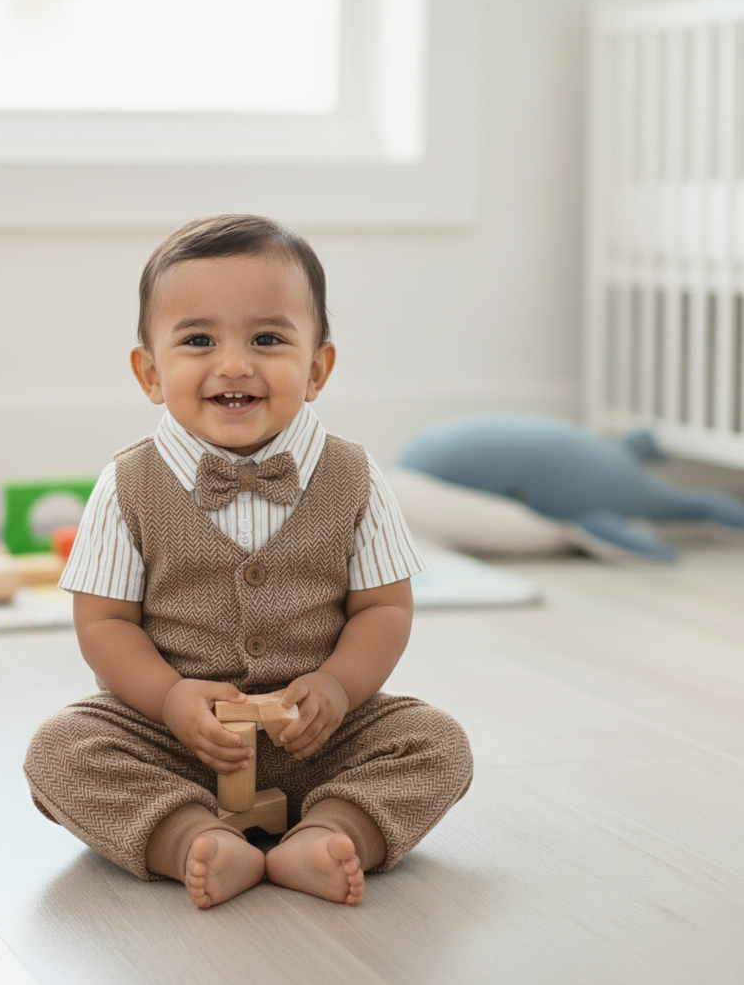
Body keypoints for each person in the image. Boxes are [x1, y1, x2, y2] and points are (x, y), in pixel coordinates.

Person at [24, 214, 472, 909]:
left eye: (267, 339)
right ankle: (191, 838)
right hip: (177, 743)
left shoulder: (353, 475)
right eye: (198, 340)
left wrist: (338, 687)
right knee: (61, 748)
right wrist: (170, 701)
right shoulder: (127, 484)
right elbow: (104, 623)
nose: (234, 365)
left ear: (318, 368)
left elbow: (384, 607)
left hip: (318, 739)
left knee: (437, 743)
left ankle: (330, 832)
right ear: (149, 372)